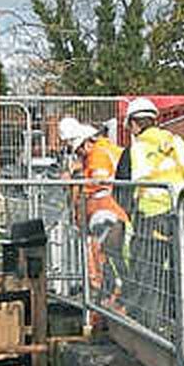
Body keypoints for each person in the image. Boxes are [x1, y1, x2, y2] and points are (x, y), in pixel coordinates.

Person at [114, 97, 184, 325]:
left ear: (134, 124)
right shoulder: (178, 143)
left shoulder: (134, 150)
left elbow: (120, 191)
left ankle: (149, 327)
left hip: (152, 220)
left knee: (147, 273)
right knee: (182, 272)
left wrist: (133, 213)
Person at [58, 116, 128, 311]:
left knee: (104, 256)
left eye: (78, 148)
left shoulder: (98, 155)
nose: (78, 153)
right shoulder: (99, 152)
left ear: (86, 142)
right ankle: (106, 298)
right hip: (110, 213)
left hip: (109, 213)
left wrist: (73, 182)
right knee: (108, 257)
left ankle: (107, 299)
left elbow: (98, 183)